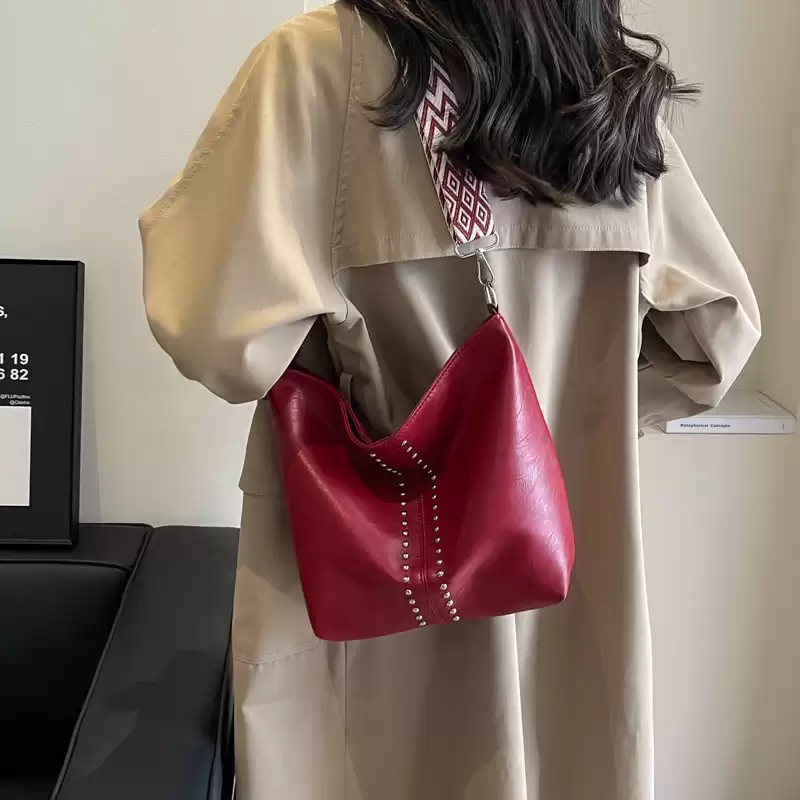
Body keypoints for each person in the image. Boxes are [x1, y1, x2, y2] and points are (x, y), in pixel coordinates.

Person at [139, 2, 760, 798]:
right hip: (570, 584)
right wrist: (573, 425)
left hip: (374, 603)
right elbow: (716, 338)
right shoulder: (603, 84)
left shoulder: (318, 65)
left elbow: (214, 336)